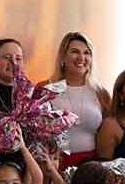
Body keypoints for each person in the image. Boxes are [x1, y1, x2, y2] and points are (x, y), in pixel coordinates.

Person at [44, 32, 111, 168]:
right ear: (63, 56)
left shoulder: (100, 92)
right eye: (75, 52)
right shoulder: (46, 89)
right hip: (55, 165)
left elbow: (109, 133)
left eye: (87, 53)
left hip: (91, 168)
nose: (81, 58)